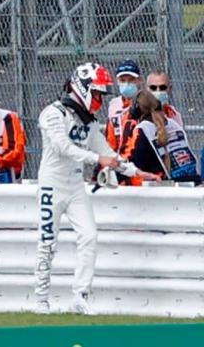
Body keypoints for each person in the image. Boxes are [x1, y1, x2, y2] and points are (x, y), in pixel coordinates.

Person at [34, 62, 158, 315]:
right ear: (84, 88)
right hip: (51, 185)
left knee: (89, 237)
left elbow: (108, 153)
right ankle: (40, 299)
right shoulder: (52, 113)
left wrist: (135, 171)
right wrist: (97, 160)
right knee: (47, 242)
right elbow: (63, 147)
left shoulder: (89, 123)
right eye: (98, 92)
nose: (100, 99)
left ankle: (80, 295)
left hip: (75, 186)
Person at [122, 90, 200, 185]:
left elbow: (132, 164)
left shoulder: (142, 130)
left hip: (164, 188)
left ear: (136, 110)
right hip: (194, 183)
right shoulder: (174, 124)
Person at [105, 59, 141, 152]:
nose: (127, 83)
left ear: (139, 80)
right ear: (117, 81)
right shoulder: (113, 104)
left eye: (131, 80)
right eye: (123, 80)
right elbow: (110, 136)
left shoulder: (145, 102)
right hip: (119, 156)